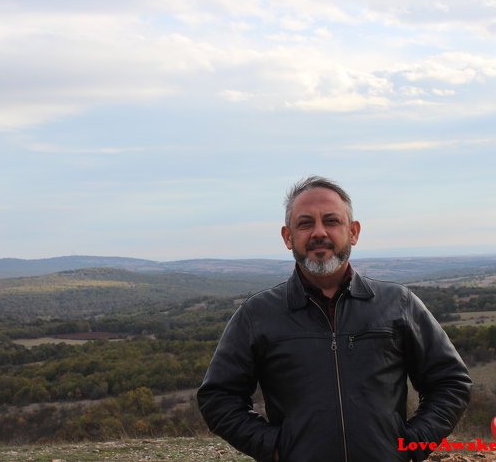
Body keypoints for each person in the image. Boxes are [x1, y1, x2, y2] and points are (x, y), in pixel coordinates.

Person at [197, 176, 472, 462]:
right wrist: (275, 447)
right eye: (305, 223)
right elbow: (218, 397)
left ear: (353, 232)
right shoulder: (258, 314)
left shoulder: (398, 303)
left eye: (331, 221)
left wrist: (410, 445)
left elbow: (450, 382)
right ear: (288, 236)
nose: (319, 232)